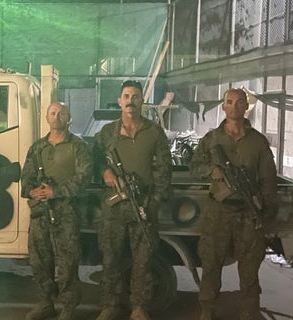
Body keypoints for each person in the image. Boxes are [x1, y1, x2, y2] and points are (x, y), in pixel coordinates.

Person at [190, 88, 277, 320]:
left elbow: (269, 180)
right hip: (218, 212)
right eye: (230, 102)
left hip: (248, 213)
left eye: (240, 102)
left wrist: (265, 213)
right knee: (211, 264)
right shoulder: (211, 139)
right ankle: (207, 310)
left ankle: (248, 311)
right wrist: (212, 170)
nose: (235, 106)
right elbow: (194, 166)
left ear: (246, 107)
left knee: (249, 269)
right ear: (223, 106)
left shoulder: (258, 142)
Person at [93, 80, 171, 320]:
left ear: (142, 101)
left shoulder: (154, 132)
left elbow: (163, 172)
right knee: (110, 259)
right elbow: (93, 160)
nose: (130, 101)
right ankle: (110, 305)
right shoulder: (107, 133)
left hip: (143, 207)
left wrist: (153, 203)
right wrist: (104, 171)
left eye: (135, 96)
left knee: (143, 262)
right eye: (126, 96)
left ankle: (138, 307)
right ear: (119, 101)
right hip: (114, 209)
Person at [20, 102, 91, 320]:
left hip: (67, 213)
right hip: (41, 213)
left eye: (61, 113)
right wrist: (33, 192)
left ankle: (68, 307)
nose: (56, 116)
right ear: (46, 118)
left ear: (69, 118)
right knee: (40, 260)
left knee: (67, 262)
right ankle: (45, 302)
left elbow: (84, 178)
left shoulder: (78, 146)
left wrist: (56, 192)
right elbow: (26, 179)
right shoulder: (37, 148)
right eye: (52, 113)